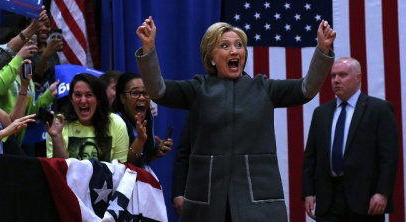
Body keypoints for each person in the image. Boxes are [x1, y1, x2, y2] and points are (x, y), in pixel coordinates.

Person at [135, 16, 336, 221]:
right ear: (211, 57)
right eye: (225, 45)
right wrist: (149, 49)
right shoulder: (197, 89)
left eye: (239, 45)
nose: (234, 51)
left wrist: (322, 51)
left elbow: (306, 88)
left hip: (257, 202)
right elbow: (157, 90)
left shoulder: (263, 88)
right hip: (207, 202)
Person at [302, 57, 398, 222]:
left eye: (342, 75)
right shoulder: (321, 113)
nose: (336, 80)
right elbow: (311, 157)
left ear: (358, 78)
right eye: (333, 76)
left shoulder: (379, 110)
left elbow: (389, 157)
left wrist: (383, 192)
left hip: (365, 200)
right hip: (328, 200)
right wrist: (308, 192)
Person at [46, 73, 129, 162]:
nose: (83, 100)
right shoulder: (58, 124)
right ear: (71, 100)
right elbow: (58, 170)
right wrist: (57, 137)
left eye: (89, 95)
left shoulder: (116, 123)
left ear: (98, 100)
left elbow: (120, 169)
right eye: (78, 95)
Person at [112, 72, 173, 168]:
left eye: (145, 93)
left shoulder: (149, 117)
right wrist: (140, 140)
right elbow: (123, 166)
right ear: (122, 98)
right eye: (135, 93)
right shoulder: (115, 121)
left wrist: (156, 152)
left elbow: (143, 161)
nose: (141, 98)